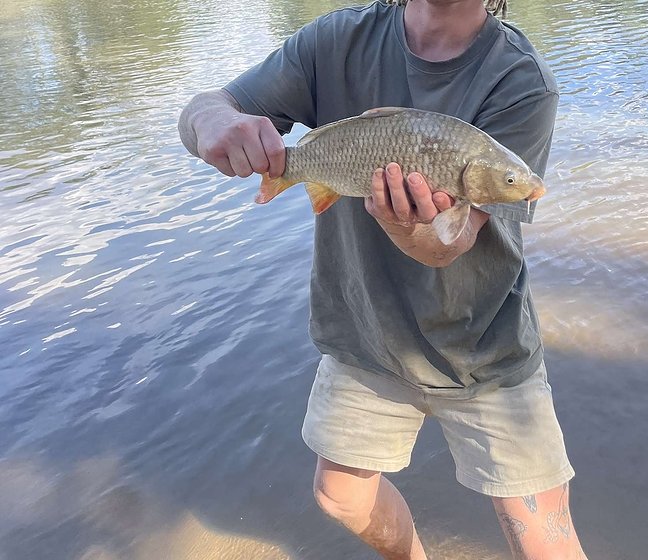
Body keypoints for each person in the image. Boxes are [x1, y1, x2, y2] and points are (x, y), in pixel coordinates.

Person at [179, 0, 589, 558]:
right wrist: (212, 123)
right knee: (341, 498)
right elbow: (206, 106)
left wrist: (405, 226)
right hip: (366, 332)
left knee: (543, 537)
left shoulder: (521, 79)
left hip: (481, 346)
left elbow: (450, 244)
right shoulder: (335, 39)